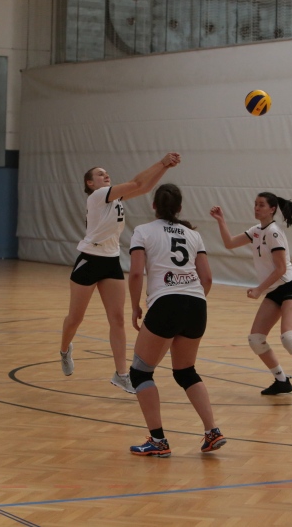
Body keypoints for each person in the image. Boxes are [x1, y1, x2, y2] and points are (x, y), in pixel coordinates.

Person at [59, 153, 181, 394]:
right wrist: (161, 161)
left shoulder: (115, 198)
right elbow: (137, 182)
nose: (105, 175)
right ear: (90, 183)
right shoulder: (97, 196)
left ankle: (121, 374)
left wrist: (166, 167)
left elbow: (144, 188)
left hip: (111, 261)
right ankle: (64, 350)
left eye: (106, 173)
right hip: (89, 259)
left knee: (117, 320)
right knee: (75, 318)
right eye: (99, 174)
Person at [127, 184, 226, 457]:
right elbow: (207, 278)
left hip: (166, 302)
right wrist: (190, 301)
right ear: (180, 208)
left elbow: (135, 273)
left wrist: (135, 306)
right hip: (197, 303)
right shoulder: (194, 235)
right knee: (185, 371)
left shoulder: (143, 231)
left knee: (140, 372)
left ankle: (158, 441)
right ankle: (212, 431)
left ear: (154, 206)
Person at [210, 192, 292, 404]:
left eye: (261, 205)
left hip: (290, 288)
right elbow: (229, 243)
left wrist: (259, 290)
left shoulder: (274, 232)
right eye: (255, 204)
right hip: (274, 291)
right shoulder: (256, 231)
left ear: (272, 209)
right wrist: (221, 221)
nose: (256, 208)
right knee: (256, 339)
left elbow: (280, 269)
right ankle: (281, 380)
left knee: (289, 337)